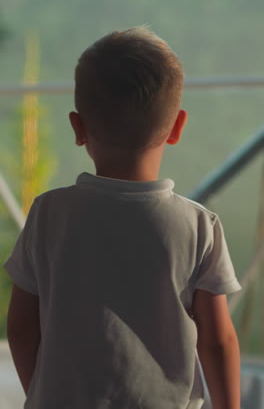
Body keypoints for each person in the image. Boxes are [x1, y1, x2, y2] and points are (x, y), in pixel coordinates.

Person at [4, 27, 241, 409]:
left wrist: (45, 393)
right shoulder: (199, 227)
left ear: (78, 128)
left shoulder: (49, 213)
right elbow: (217, 341)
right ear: (178, 126)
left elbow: (20, 328)